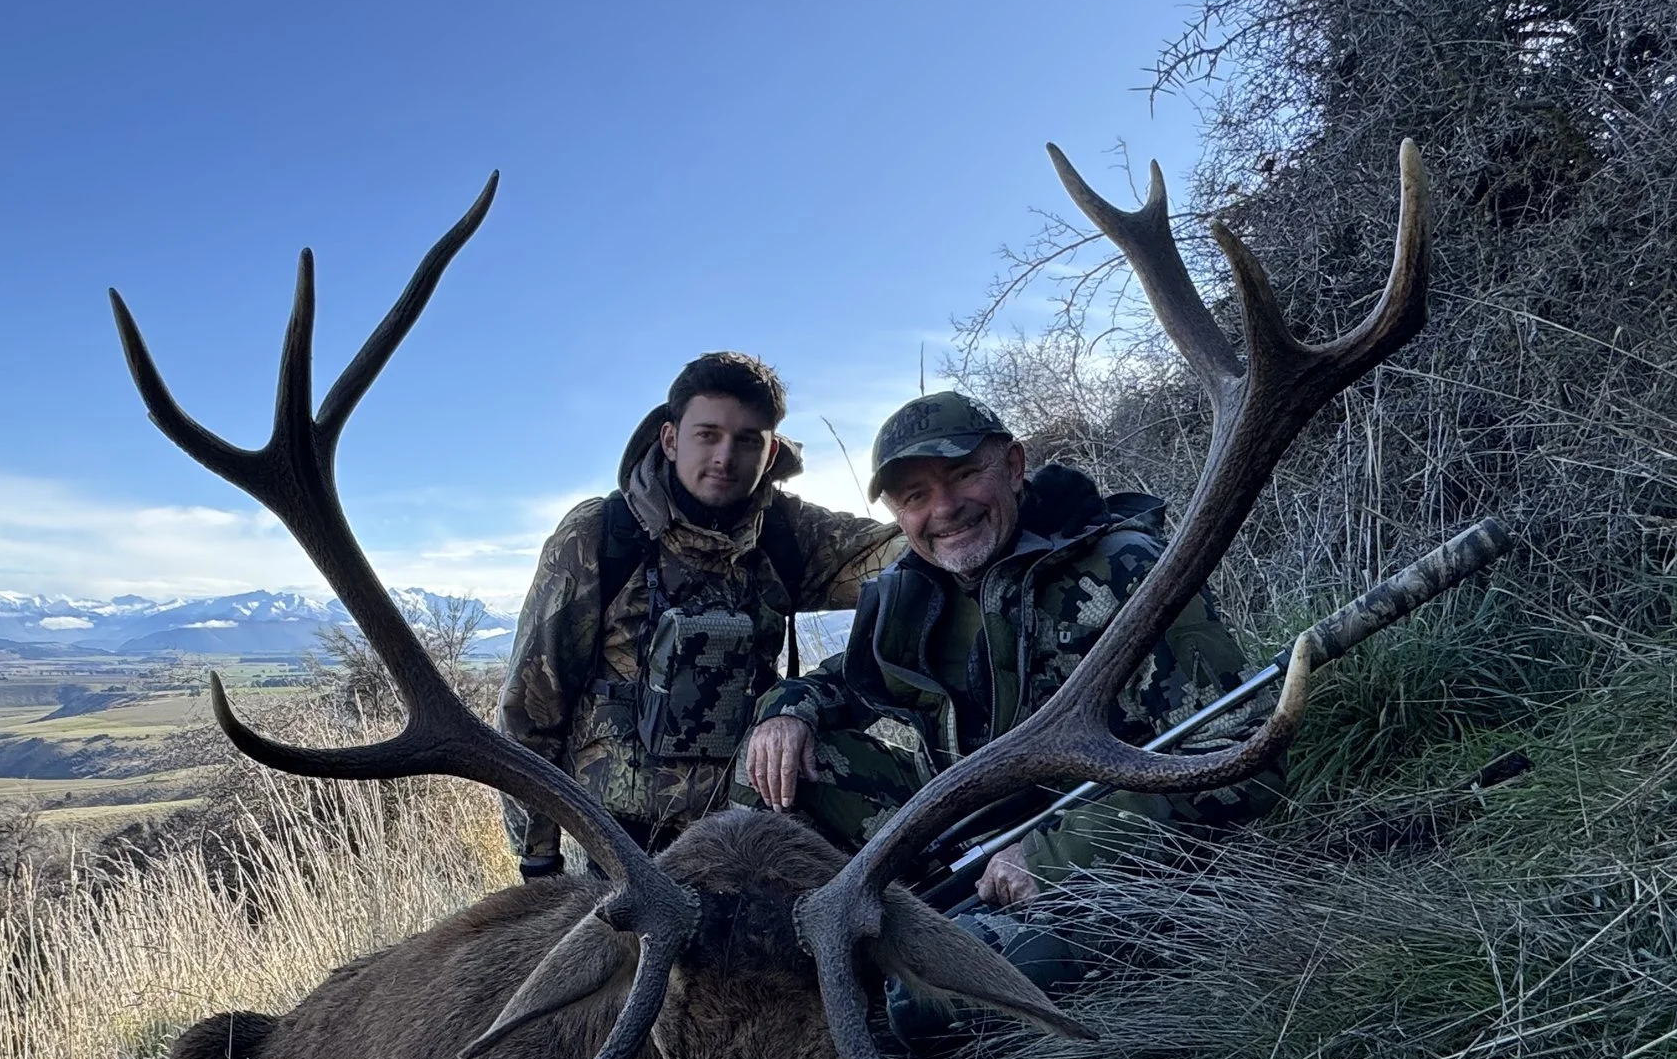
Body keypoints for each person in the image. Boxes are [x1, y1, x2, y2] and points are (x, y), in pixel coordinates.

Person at [737, 389, 1275, 1024]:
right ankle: (765, 970)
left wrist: (1054, 856)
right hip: (975, 845)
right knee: (767, 786)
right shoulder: (912, 594)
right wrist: (786, 709)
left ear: (1015, 466)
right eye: (914, 495)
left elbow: (1239, 761)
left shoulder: (1124, 568)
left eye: (964, 474)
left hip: (1117, 859)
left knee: (917, 1009)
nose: (945, 509)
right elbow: (841, 680)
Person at [500, 352, 902, 873]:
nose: (724, 457)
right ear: (670, 439)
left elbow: (911, 546)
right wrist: (538, 861)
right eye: (707, 435)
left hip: (752, 834)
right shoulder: (599, 535)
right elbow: (530, 709)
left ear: (771, 448)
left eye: (747, 440)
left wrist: (997, 501)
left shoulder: (789, 532)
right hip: (622, 844)